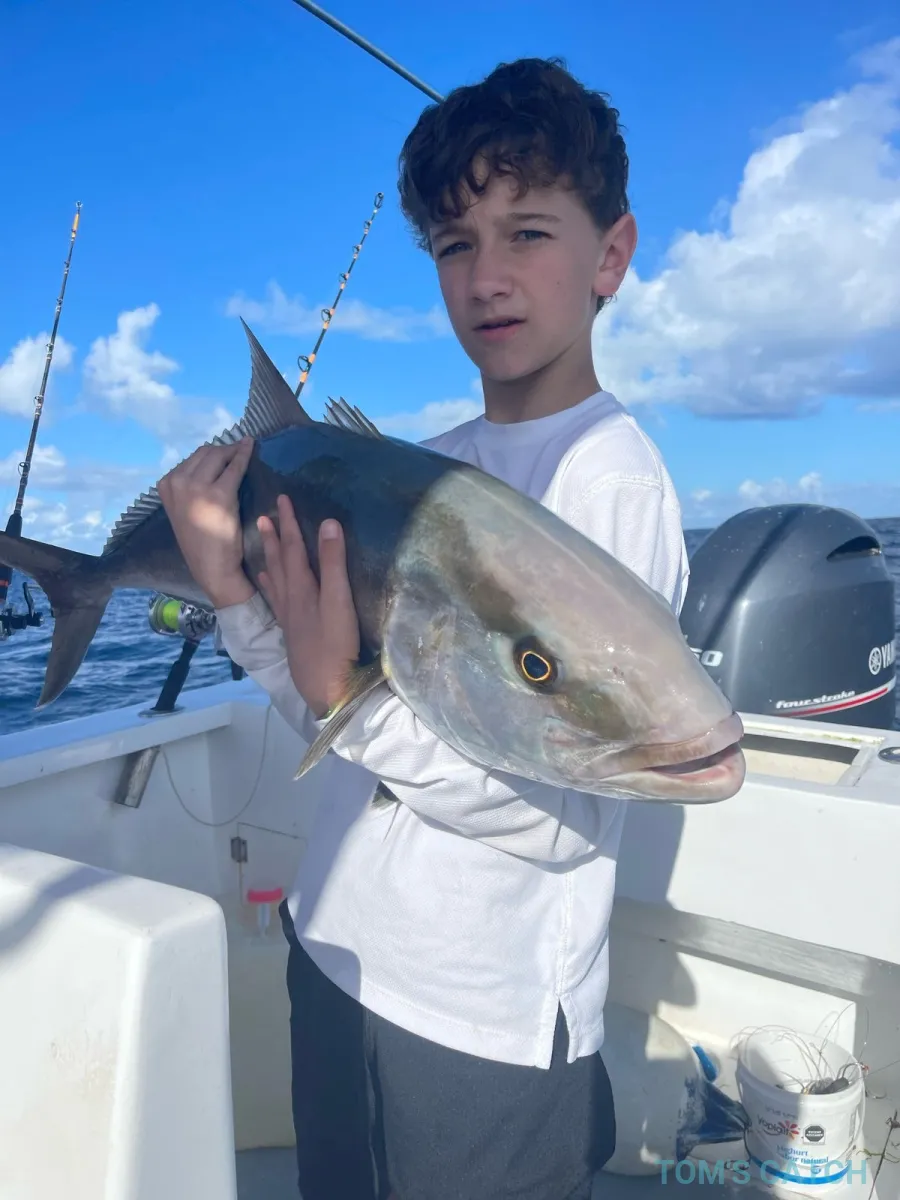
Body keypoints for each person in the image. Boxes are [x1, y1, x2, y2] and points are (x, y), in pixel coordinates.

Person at [158, 56, 690, 1200]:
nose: (487, 277)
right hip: (336, 948)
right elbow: (327, 707)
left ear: (611, 253)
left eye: (528, 233)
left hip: (478, 1016)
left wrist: (340, 696)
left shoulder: (606, 482)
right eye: (455, 245)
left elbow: (556, 814)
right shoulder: (424, 464)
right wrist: (236, 596)